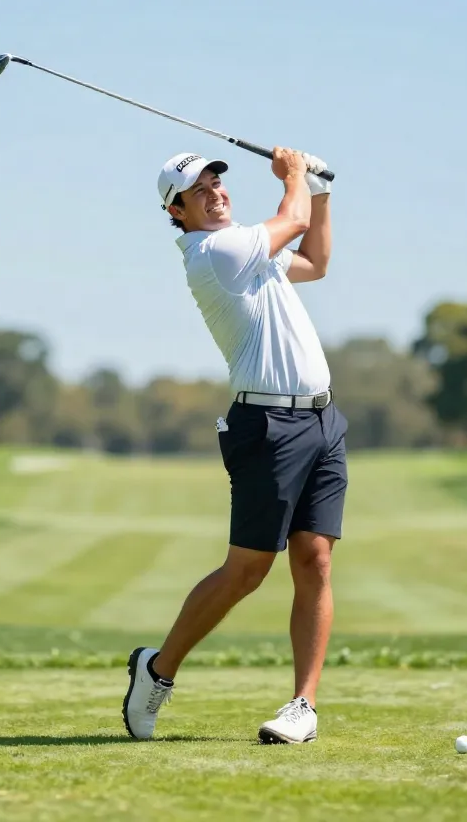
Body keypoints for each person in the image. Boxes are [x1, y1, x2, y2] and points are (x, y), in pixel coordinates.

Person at [121, 146, 349, 745]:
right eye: (200, 191)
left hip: (323, 423)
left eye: (217, 182)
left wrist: (320, 191)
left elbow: (316, 260)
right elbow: (292, 221)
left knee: (316, 560)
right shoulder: (215, 253)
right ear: (178, 212)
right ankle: (158, 669)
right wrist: (297, 176)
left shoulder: (252, 251)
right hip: (267, 429)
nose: (216, 191)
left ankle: (304, 705)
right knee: (247, 571)